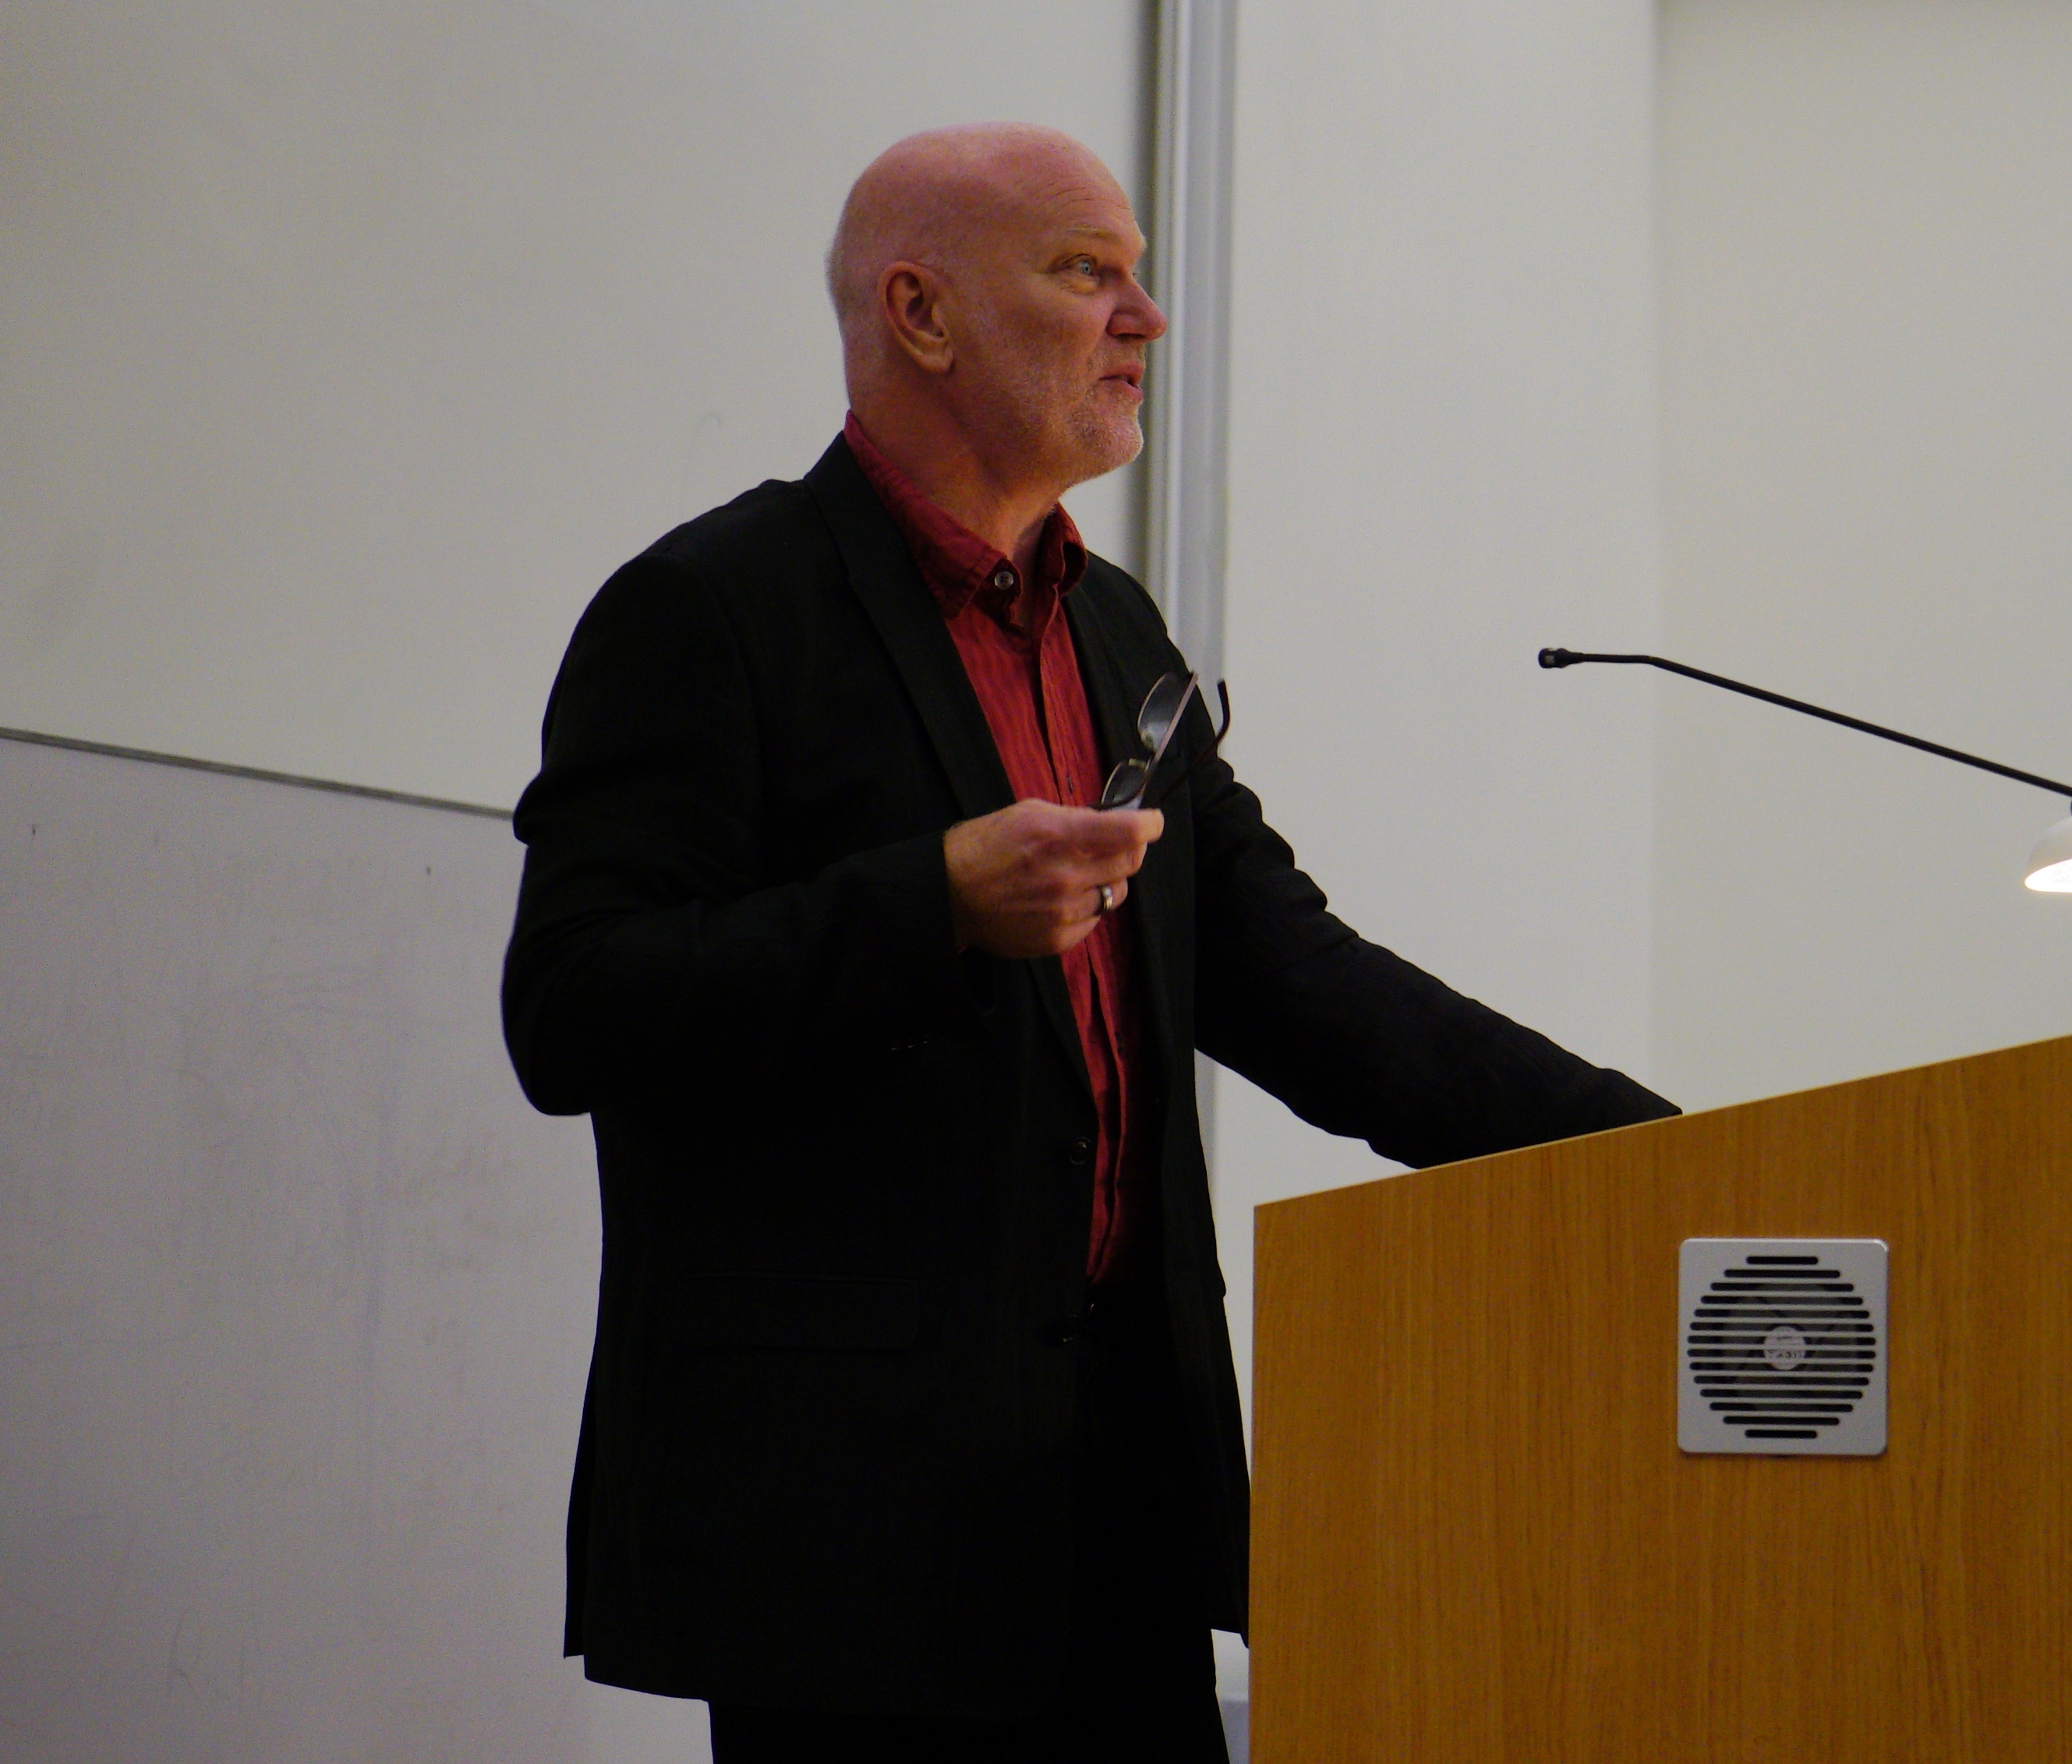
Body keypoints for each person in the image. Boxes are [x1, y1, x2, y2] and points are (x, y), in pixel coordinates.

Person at [498, 122, 1677, 1762]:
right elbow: (575, 1005)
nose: (1146, 315)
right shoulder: (712, 609)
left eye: (1138, 272)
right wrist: (932, 901)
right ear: (921, 313)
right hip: (848, 1536)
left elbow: (1302, 982)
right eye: (1084, 272)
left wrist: (1657, 1154)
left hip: (1120, 1502)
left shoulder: (1115, 629)